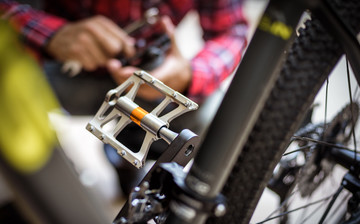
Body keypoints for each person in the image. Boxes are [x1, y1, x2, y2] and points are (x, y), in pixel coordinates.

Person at [0, 0, 248, 195]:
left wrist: (191, 76)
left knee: (210, 114)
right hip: (54, 64)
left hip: (147, 72)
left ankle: (127, 152)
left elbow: (231, 29)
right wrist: (48, 32)